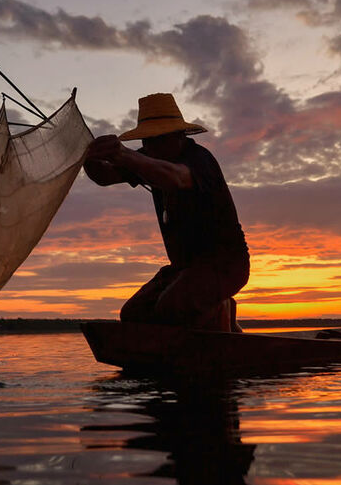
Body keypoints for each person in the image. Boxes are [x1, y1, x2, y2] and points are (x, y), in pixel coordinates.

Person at [82, 93, 249, 331]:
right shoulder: (147, 157)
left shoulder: (200, 159)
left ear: (179, 136)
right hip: (184, 268)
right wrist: (88, 157)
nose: (151, 146)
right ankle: (220, 311)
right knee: (133, 314)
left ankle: (221, 316)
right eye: (147, 140)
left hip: (226, 264)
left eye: (158, 139)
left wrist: (124, 155)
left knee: (171, 308)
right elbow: (104, 176)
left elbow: (177, 178)